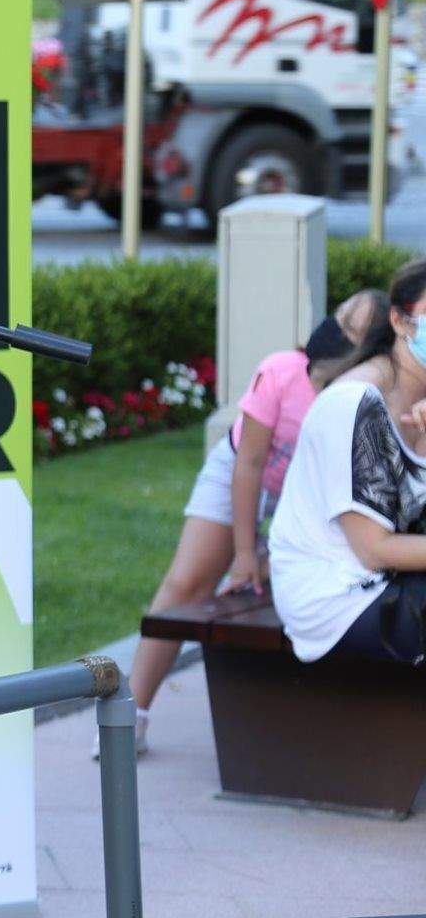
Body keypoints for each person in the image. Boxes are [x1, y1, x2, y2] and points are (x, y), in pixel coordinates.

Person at [122, 289, 386, 745]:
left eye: (351, 328)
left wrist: (270, 555)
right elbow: (249, 464)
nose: (333, 329)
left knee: (284, 585)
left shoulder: (365, 393)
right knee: (187, 583)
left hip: (306, 494)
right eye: (339, 315)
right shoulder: (282, 371)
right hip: (242, 470)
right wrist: (245, 551)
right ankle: (130, 715)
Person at [270, 263, 426, 667]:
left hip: (396, 583)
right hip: (339, 597)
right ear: (400, 320)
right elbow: (374, 549)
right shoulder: (356, 403)